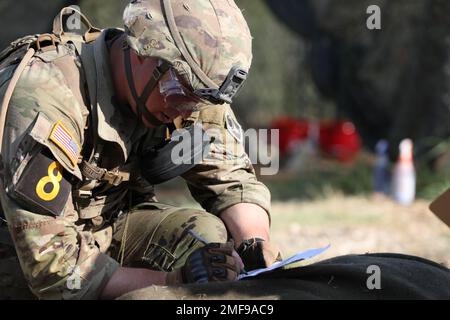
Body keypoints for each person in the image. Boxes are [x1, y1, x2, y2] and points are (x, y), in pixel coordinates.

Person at [0, 0, 281, 300]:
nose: (182, 110)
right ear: (140, 50)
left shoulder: (186, 87)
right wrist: (174, 281)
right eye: (178, 93)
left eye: (197, 101)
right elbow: (53, 269)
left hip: (103, 232)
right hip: (21, 254)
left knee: (207, 240)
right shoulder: (47, 95)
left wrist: (253, 244)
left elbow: (231, 176)